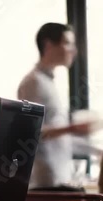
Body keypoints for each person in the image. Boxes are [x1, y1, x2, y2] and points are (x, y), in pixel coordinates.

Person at [17, 23, 92, 188]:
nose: (74, 50)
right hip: (44, 182)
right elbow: (31, 134)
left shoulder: (48, 83)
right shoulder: (33, 82)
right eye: (68, 43)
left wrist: (96, 150)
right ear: (48, 45)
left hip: (57, 179)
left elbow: (59, 138)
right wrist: (72, 128)